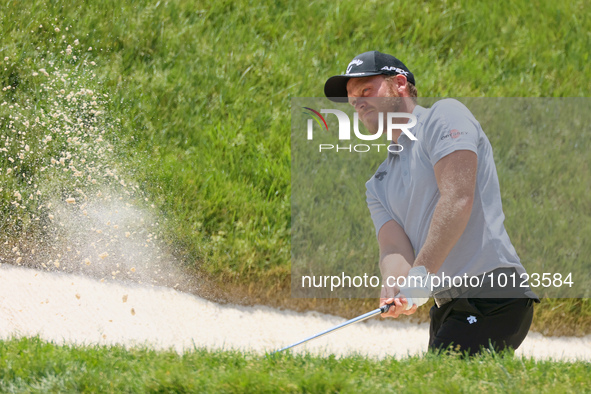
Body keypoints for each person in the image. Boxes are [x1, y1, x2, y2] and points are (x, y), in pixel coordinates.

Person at [324, 51, 539, 356]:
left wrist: (420, 277)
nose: (357, 103)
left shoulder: (445, 116)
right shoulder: (378, 184)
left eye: (366, 91)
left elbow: (457, 198)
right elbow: (394, 248)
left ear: (399, 85)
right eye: (351, 98)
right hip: (446, 305)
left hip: (494, 293)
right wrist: (397, 286)